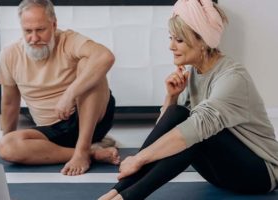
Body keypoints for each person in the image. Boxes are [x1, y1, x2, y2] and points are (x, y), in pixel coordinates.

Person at [99, 0, 278, 199]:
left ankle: (126, 197)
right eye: (171, 38)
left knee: (196, 132)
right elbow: (164, 132)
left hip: (260, 174)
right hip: (219, 174)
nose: (171, 46)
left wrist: (138, 159)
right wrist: (172, 97)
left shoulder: (233, 77)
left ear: (202, 42)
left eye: (179, 40)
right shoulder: (192, 74)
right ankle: (115, 192)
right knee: (179, 115)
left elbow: (194, 130)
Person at [0, 0, 120, 176]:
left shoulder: (69, 40)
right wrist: (6, 137)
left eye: (40, 30)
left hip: (92, 121)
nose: (34, 38)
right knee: (7, 147)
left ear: (54, 24)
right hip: (52, 131)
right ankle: (91, 153)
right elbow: (10, 102)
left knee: (89, 62)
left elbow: (105, 57)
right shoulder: (9, 55)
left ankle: (83, 148)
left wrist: (70, 94)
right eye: (28, 31)